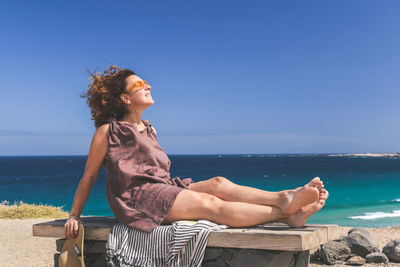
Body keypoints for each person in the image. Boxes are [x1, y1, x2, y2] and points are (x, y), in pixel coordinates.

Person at [64, 65, 329, 239]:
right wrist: (74, 215)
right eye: (139, 84)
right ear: (124, 98)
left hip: (163, 188)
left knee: (218, 183)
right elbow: (89, 177)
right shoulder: (107, 131)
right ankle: (286, 215)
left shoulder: (149, 128)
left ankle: (283, 197)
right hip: (138, 200)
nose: (148, 85)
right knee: (211, 205)